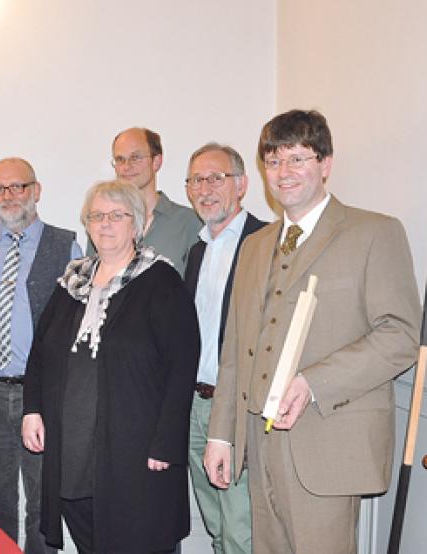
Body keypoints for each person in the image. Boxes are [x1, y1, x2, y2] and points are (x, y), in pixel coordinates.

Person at [203, 110, 421, 554]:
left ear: (326, 163)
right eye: (274, 161)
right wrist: (220, 435)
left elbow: (399, 336)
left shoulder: (374, 232)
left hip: (328, 443)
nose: (284, 173)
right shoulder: (254, 245)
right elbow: (234, 351)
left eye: (298, 159)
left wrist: (312, 383)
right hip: (257, 447)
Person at [22, 180, 199, 553]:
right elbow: (40, 353)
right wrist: (33, 409)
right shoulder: (72, 281)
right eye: (97, 216)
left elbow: (182, 369)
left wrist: (166, 443)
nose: (105, 224)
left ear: (137, 224)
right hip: (74, 451)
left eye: (117, 216)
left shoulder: (160, 281)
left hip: (135, 453)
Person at [0, 157, 81, 553]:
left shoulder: (66, 244)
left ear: (37, 190)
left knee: (43, 502)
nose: (9, 196)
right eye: (0, 189)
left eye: (18, 187)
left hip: (43, 396)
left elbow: (75, 326)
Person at [183, 143, 266, 554]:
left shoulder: (266, 241)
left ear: (242, 185)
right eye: (197, 179)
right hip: (195, 405)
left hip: (236, 406)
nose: (206, 188)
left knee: (240, 528)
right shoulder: (197, 250)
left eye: (217, 177)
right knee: (216, 524)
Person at [105, 127, 201, 273]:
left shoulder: (189, 223)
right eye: (120, 159)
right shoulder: (103, 223)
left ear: (156, 161)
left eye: (135, 157)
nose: (126, 166)